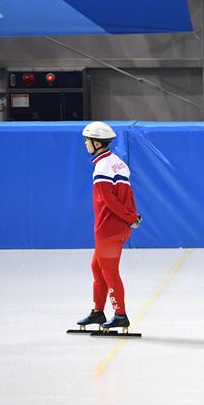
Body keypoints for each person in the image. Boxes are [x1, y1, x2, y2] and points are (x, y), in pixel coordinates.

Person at [75, 122, 142, 332]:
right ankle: (98, 312)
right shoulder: (118, 163)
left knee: (109, 272)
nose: (85, 144)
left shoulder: (102, 167)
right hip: (117, 227)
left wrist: (130, 217)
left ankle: (120, 315)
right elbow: (127, 195)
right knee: (97, 267)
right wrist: (131, 216)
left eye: (87, 140)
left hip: (109, 229)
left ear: (96, 143)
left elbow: (109, 201)